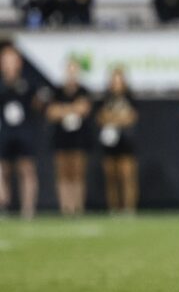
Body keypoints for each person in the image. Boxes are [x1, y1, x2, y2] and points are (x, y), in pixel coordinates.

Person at [0, 45, 43, 218]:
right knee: (4, 170)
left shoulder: (28, 83)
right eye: (5, 60)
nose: (9, 64)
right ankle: (4, 205)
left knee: (27, 169)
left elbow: (38, 104)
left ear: (18, 63)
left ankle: (28, 209)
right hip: (4, 131)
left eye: (12, 60)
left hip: (24, 131)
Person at [46, 59, 92, 215]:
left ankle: (78, 206)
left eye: (75, 71)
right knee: (62, 174)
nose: (72, 75)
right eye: (69, 71)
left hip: (79, 138)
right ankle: (66, 207)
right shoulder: (57, 91)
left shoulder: (83, 91)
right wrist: (72, 109)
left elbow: (84, 109)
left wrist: (63, 109)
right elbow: (51, 112)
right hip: (61, 138)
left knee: (78, 173)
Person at [97, 68, 139, 213]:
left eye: (119, 80)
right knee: (111, 176)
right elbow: (101, 117)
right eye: (114, 80)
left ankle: (129, 207)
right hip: (110, 141)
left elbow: (131, 117)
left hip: (126, 140)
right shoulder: (106, 98)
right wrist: (118, 118)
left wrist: (113, 118)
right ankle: (114, 208)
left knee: (127, 175)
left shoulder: (129, 97)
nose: (117, 84)